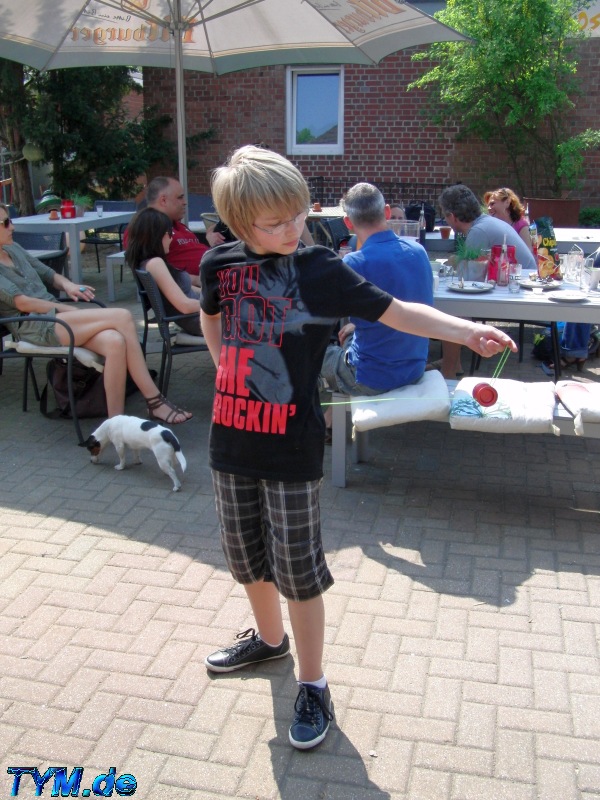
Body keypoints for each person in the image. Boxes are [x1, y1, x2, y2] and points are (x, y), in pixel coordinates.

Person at [199, 146, 516, 751]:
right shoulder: (218, 264)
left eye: (298, 213)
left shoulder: (320, 267)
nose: (293, 228)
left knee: (297, 570)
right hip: (230, 438)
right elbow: (209, 315)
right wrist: (222, 369)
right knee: (245, 557)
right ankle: (269, 644)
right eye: (275, 221)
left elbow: (398, 313)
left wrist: (464, 330)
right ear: (241, 224)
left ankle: (313, 683)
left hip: (293, 447)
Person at [0, 203, 191, 424]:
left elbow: (48, 274)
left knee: (115, 341)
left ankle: (115, 424)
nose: (11, 226)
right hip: (34, 324)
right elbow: (22, 303)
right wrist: (66, 308)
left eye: (9, 220)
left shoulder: (13, 249)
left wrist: (69, 285)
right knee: (122, 316)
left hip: (55, 317)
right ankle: (155, 401)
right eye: (5, 223)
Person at [320, 183, 433, 433]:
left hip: (372, 377)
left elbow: (320, 312)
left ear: (348, 223)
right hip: (413, 367)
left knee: (305, 355)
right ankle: (330, 418)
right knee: (349, 334)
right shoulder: (419, 251)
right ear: (389, 212)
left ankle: (317, 425)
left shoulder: (354, 262)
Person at [430, 184, 537, 378]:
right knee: (457, 305)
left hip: (521, 291)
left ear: (453, 217)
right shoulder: (485, 223)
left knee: (453, 308)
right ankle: (453, 363)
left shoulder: (479, 231)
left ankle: (448, 371)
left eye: (445, 216)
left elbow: (466, 279)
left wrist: (450, 264)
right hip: (516, 285)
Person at [126, 207, 201, 337]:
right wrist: (220, 304)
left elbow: (186, 289)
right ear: (156, 235)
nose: (171, 239)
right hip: (200, 319)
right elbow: (185, 306)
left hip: (201, 314)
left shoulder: (147, 263)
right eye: (169, 233)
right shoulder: (155, 264)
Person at [124, 177, 209, 287]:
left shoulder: (176, 224)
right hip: (193, 290)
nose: (185, 202)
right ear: (163, 200)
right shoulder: (147, 227)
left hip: (212, 280)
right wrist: (196, 280)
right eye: (180, 198)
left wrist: (211, 242)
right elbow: (150, 271)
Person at [484, 187, 534, 253]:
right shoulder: (490, 226)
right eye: (488, 205)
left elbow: (528, 252)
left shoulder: (521, 225)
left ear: (507, 202)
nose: (489, 208)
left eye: (492, 204)